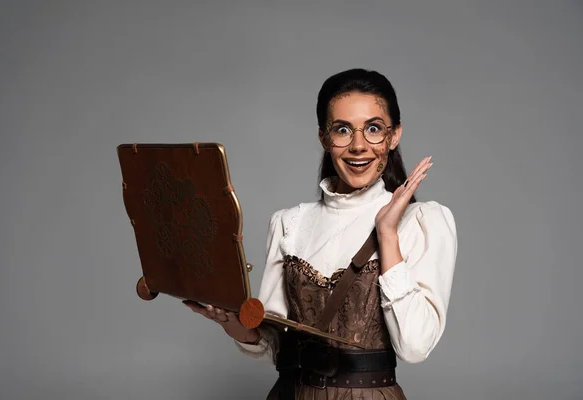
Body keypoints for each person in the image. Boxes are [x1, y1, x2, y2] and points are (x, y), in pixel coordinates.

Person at [184, 68, 458, 399]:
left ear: (394, 135)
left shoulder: (422, 221)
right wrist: (229, 320)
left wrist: (387, 234)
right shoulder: (290, 223)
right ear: (324, 137)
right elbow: (275, 345)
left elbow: (415, 348)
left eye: (373, 128)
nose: (359, 146)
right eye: (342, 129)